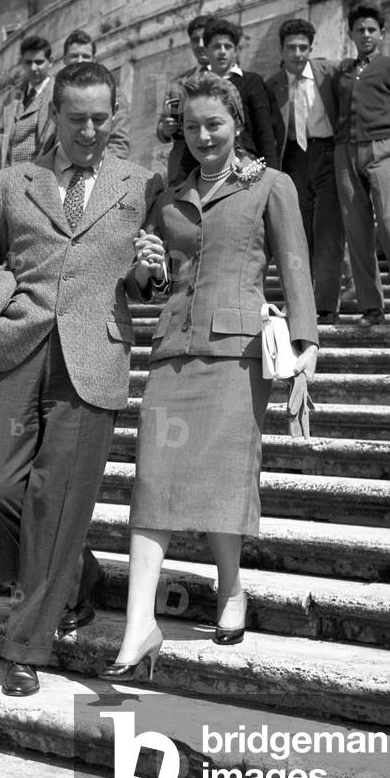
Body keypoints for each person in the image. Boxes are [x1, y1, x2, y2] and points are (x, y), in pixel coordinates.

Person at [101, 71, 317, 681]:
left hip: (239, 353)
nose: (202, 136)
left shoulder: (271, 185)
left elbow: (295, 263)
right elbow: (157, 282)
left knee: (224, 477)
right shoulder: (168, 199)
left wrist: (307, 343)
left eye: (213, 125)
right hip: (173, 349)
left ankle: (231, 589)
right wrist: (147, 271)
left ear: (237, 124)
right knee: (155, 482)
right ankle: (139, 624)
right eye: (191, 127)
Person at [0, 60, 164, 698]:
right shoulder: (11, 182)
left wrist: (149, 271)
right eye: (78, 119)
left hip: (94, 354)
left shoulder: (139, 183)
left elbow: (147, 275)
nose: (91, 130)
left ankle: (26, 646)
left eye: (102, 118)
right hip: (13, 349)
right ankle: (77, 570)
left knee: (57, 499)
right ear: (55, 117)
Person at [332, 2, 390, 328]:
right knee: (356, 230)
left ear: (381, 34)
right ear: (351, 34)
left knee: (389, 223)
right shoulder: (343, 71)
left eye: (371, 29)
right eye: (359, 29)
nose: (366, 34)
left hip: (383, 147)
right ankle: (371, 307)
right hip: (345, 151)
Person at [265, 18, 343, 323]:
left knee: (328, 232)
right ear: (281, 50)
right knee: (297, 234)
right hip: (293, 159)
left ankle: (326, 306)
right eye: (291, 47)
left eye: (303, 47)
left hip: (327, 154)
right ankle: (300, 303)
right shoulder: (271, 85)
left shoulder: (330, 74)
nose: (297, 53)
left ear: (311, 48)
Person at [204, 18, 282, 169]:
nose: (222, 52)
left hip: (244, 163)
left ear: (235, 50)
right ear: (206, 50)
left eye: (227, 46)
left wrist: (272, 175)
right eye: (216, 46)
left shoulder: (252, 82)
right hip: (205, 163)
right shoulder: (198, 86)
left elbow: (264, 133)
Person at [157, 14, 212, 185]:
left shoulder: (230, 78)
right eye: (195, 40)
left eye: (205, 39)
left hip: (217, 160)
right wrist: (165, 128)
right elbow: (160, 129)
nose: (200, 45)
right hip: (182, 168)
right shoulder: (176, 84)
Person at [59, 28, 130, 158]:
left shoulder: (113, 94)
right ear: (64, 59)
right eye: (74, 56)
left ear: (94, 59)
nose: (80, 61)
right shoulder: (56, 95)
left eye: (85, 56)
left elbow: (118, 145)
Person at [0, 35, 54, 172]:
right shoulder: (12, 97)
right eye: (28, 62)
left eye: (39, 62)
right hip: (9, 178)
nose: (33, 68)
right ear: (22, 63)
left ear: (50, 62)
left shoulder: (58, 96)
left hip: (40, 179)